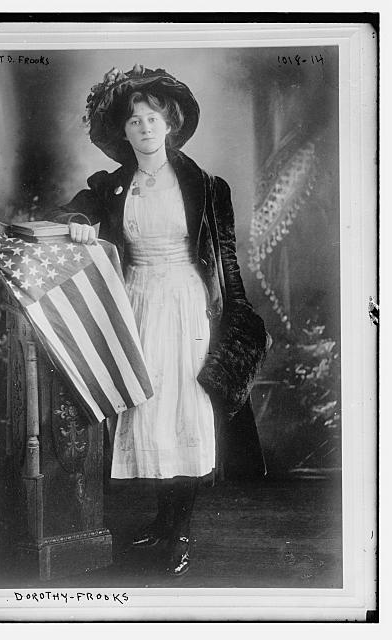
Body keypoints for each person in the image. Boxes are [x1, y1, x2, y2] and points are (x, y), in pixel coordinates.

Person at [52, 64, 268, 577]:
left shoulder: (207, 186)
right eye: (134, 121)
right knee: (149, 414)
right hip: (136, 302)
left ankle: (181, 533)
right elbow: (74, 212)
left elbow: (227, 261)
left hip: (188, 306)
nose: (145, 127)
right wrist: (81, 225)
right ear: (123, 132)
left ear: (170, 123)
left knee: (184, 413)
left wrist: (236, 321)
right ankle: (162, 523)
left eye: (153, 118)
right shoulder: (111, 186)